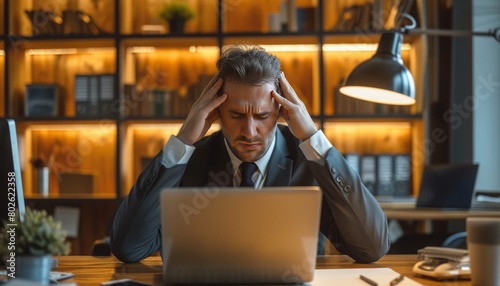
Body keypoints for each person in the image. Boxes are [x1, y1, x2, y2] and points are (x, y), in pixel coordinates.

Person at [110, 44, 390, 264]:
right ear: (216, 111)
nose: (250, 131)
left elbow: (371, 247)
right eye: (236, 115)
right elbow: (129, 248)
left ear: (281, 111)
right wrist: (183, 140)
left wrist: (312, 138)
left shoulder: (311, 163)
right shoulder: (189, 161)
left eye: (262, 115)